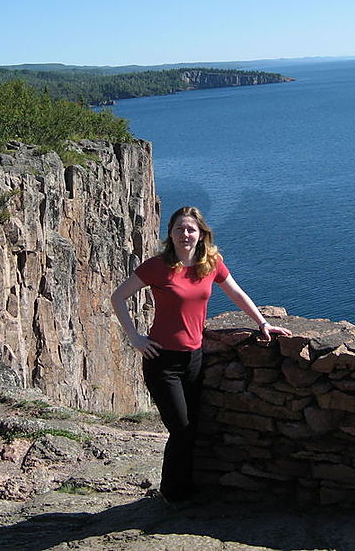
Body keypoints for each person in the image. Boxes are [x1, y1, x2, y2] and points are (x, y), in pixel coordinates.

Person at [111, 205, 292, 502]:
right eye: (179, 229)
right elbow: (118, 297)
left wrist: (262, 323)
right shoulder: (157, 266)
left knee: (192, 427)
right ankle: (172, 492)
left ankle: (186, 487)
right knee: (180, 428)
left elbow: (236, 293)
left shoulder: (211, 264)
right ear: (170, 234)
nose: (185, 234)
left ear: (201, 234)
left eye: (190, 229)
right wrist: (135, 338)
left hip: (194, 357)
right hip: (162, 360)